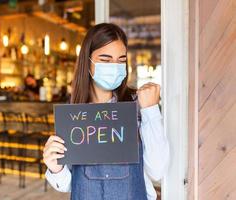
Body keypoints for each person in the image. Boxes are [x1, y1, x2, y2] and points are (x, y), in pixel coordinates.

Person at [43, 23, 170, 200]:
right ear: (88, 63)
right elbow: (68, 185)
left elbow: (157, 170)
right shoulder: (74, 114)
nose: (115, 66)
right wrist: (55, 167)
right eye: (105, 59)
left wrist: (151, 111)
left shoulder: (138, 105)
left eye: (121, 60)